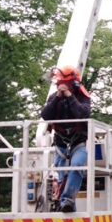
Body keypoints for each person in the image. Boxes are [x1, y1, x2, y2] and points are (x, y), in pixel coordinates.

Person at [40, 66, 91, 212]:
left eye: (63, 82)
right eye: (58, 82)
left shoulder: (82, 97)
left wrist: (70, 96)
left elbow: (83, 114)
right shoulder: (54, 98)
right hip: (61, 143)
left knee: (77, 165)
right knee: (61, 177)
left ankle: (67, 200)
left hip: (78, 142)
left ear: (73, 83)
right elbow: (45, 115)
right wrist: (57, 98)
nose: (59, 85)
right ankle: (67, 207)